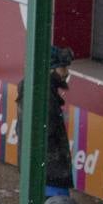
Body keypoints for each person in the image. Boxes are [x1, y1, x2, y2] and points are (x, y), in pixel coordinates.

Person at [44, 46, 75, 195]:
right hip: (50, 178)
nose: (66, 72)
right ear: (51, 69)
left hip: (51, 176)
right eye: (62, 67)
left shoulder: (47, 93)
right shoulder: (44, 97)